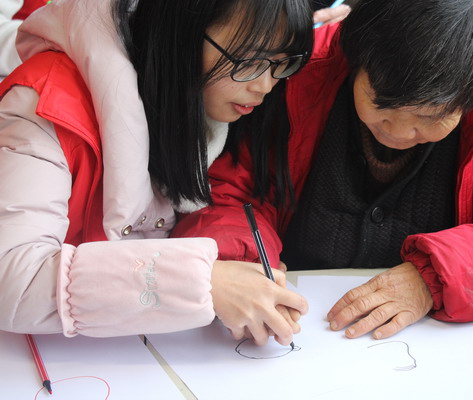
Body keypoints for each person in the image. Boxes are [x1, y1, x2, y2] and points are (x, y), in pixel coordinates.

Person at [173, 0, 473, 340]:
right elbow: (223, 187)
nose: (398, 132)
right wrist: (243, 266)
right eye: (381, 105)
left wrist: (434, 279)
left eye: (432, 118)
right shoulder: (294, 72)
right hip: (300, 315)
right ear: (354, 57)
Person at [0, 0, 314, 346]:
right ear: (178, 31)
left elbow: (221, 205)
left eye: (281, 63)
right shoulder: (43, 105)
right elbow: (13, 280)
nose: (265, 85)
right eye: (249, 60)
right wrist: (204, 281)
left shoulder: (204, 101)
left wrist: (239, 266)